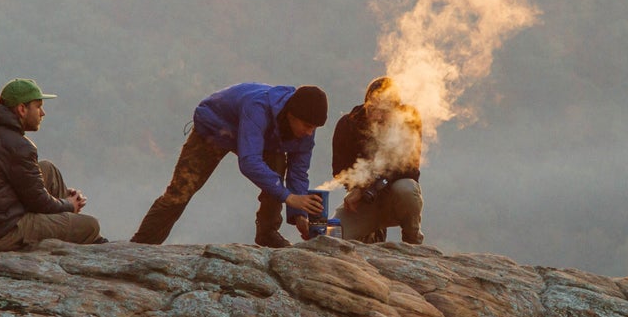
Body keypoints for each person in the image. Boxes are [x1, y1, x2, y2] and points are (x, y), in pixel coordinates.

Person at [132, 83, 329, 247]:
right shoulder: (258, 107)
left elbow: (298, 174)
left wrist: (300, 215)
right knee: (180, 191)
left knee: (275, 172)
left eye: (315, 128)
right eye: (307, 126)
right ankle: (141, 245)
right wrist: (288, 197)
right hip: (215, 129)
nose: (310, 132)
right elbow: (249, 161)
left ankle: (267, 233)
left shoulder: (305, 129)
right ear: (291, 115)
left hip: (264, 140)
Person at [0, 79, 102, 252]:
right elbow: (39, 202)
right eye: (38, 106)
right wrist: (69, 204)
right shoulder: (19, 146)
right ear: (22, 109)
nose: (42, 113)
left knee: (48, 169)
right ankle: (80, 235)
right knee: (91, 226)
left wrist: (63, 201)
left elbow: (28, 189)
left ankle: (66, 223)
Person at [331, 76, 425, 245]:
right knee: (332, 237)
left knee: (407, 188)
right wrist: (357, 187)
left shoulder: (409, 121)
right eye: (372, 108)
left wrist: (372, 184)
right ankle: (370, 233)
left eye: (385, 111)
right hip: (363, 203)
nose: (377, 116)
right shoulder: (349, 124)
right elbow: (340, 169)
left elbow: (410, 168)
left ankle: (412, 240)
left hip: (395, 200)